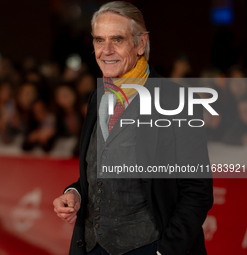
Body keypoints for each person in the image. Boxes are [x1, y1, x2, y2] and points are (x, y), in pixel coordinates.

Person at [53, 2, 213, 255]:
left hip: (151, 247)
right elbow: (99, 172)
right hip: (93, 247)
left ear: (140, 44)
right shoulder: (98, 97)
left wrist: (166, 251)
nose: (106, 51)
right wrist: (75, 193)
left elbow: (197, 190)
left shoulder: (175, 100)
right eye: (99, 40)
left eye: (117, 39)